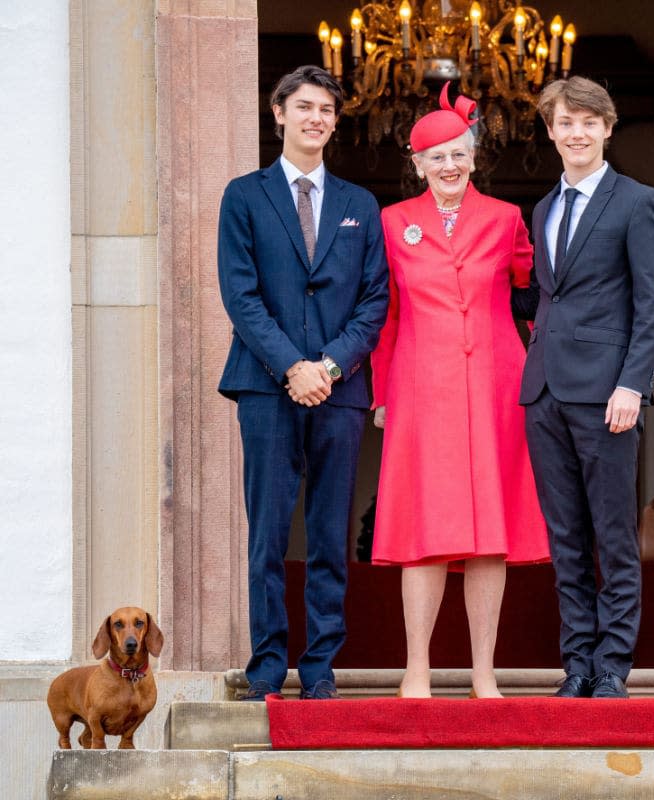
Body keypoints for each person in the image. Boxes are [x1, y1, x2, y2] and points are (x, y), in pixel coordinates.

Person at [371, 84, 549, 699]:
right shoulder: (392, 223)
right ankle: (416, 670)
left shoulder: (506, 220)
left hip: (497, 386)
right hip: (421, 386)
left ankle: (483, 673)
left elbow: (536, 295)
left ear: (474, 157)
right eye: (436, 156)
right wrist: (380, 394)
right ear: (416, 164)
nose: (449, 165)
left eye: (458, 153)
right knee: (424, 529)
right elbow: (385, 314)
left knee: (487, 533)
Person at [217, 65, 388, 701]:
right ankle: (267, 663)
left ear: (335, 124)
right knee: (266, 529)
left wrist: (331, 367)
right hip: (266, 386)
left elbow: (375, 300)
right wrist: (293, 366)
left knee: (328, 531)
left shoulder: (358, 205)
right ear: (279, 113)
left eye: (327, 111)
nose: (316, 118)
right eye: (305, 107)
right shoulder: (244, 196)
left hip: (339, 391)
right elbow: (241, 293)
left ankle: (319, 665)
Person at [516, 76, 654, 698]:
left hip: (609, 396)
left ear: (608, 128)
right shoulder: (544, 208)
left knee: (613, 536)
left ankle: (612, 667)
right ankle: (576, 663)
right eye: (564, 122)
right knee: (566, 540)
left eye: (588, 122)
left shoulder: (638, 201)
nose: (576, 133)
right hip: (545, 393)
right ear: (550, 131)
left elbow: (652, 302)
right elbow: (544, 295)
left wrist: (633, 384)